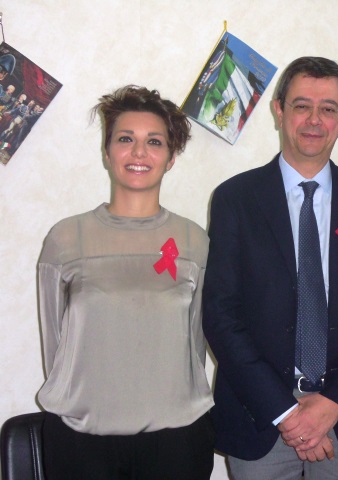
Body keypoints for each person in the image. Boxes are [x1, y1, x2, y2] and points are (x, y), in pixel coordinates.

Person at [202, 56, 338, 480]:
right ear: (279, 110)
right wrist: (287, 414)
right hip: (261, 416)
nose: (314, 120)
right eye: (301, 106)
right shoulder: (234, 200)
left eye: (328, 108)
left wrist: (332, 404)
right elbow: (220, 315)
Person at [37, 85, 215, 479]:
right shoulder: (67, 238)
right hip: (81, 443)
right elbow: (55, 345)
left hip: (178, 441)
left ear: (171, 157)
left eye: (154, 142)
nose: (138, 153)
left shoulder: (194, 241)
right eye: (125, 139)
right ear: (107, 152)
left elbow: (195, 341)